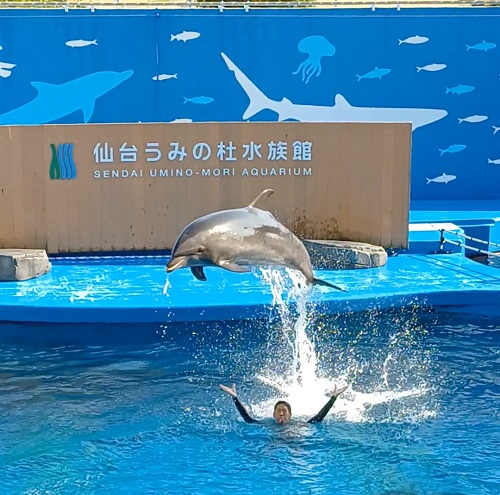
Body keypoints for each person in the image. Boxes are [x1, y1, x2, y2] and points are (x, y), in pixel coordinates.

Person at [219, 382, 348, 425]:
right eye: (279, 411)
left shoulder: (298, 425)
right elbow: (248, 420)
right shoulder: (268, 425)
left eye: (284, 411)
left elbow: (318, 418)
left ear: (290, 415)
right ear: (273, 414)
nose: (281, 413)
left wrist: (333, 398)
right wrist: (235, 398)